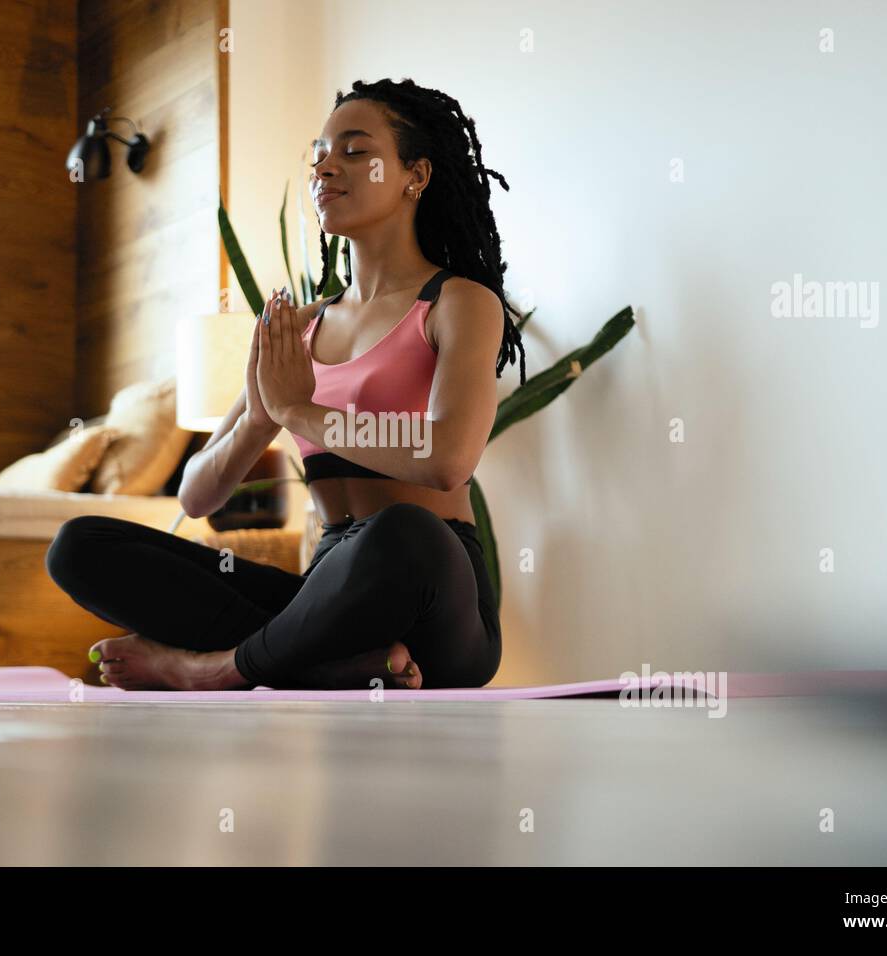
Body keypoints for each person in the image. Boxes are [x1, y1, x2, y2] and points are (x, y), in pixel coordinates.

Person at [45, 78, 527, 690]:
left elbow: (448, 460)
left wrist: (299, 410)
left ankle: (217, 670)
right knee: (80, 546)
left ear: (416, 175)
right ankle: (334, 666)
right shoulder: (295, 328)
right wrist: (257, 419)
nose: (326, 166)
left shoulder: (458, 303)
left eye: (354, 150)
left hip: (429, 593)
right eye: (319, 154)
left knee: (401, 531)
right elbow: (197, 498)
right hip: (328, 590)